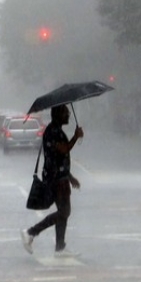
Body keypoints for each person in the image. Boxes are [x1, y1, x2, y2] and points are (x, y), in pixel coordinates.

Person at [21, 104, 84, 257]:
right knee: (64, 211)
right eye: (65, 112)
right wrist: (76, 137)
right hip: (56, 179)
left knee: (64, 212)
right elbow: (63, 150)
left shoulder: (56, 130)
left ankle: (60, 247)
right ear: (57, 115)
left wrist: (69, 176)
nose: (68, 115)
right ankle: (31, 232)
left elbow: (59, 158)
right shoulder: (52, 132)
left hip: (60, 177)